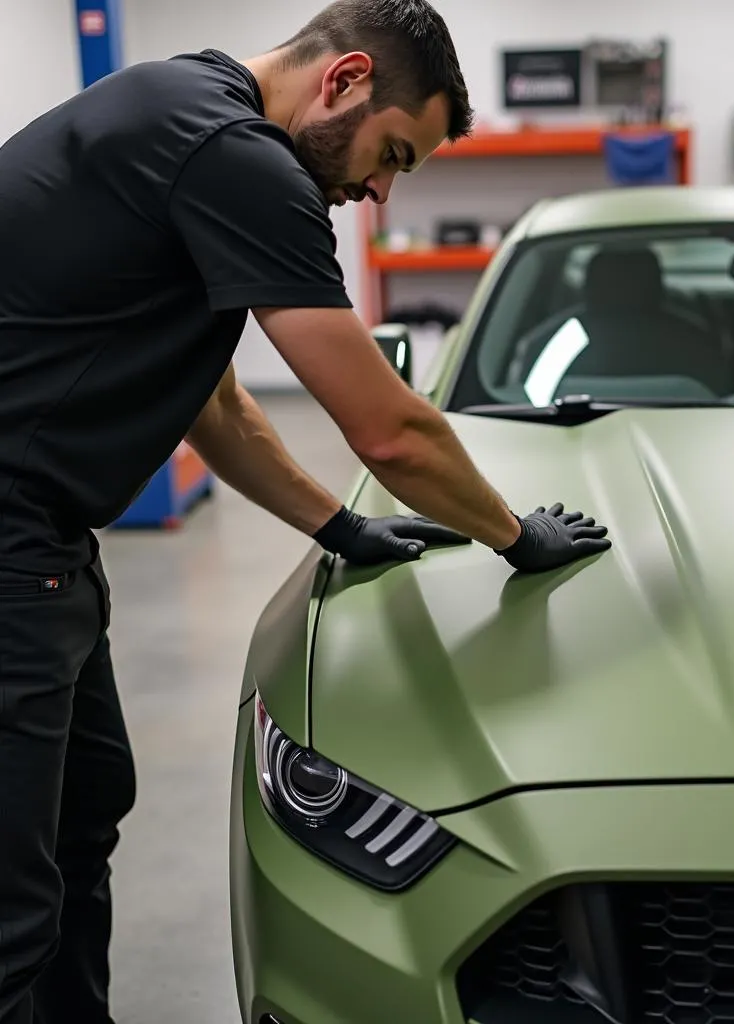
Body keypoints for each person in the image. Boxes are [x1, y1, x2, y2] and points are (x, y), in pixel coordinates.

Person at [0, 1, 612, 1020]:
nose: (375, 192)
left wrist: (338, 526)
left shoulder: (170, 97)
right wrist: (512, 534)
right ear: (346, 80)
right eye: (392, 155)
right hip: (12, 544)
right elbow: (392, 431)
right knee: (12, 909)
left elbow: (215, 404)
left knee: (80, 822)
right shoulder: (240, 160)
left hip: (45, 540)